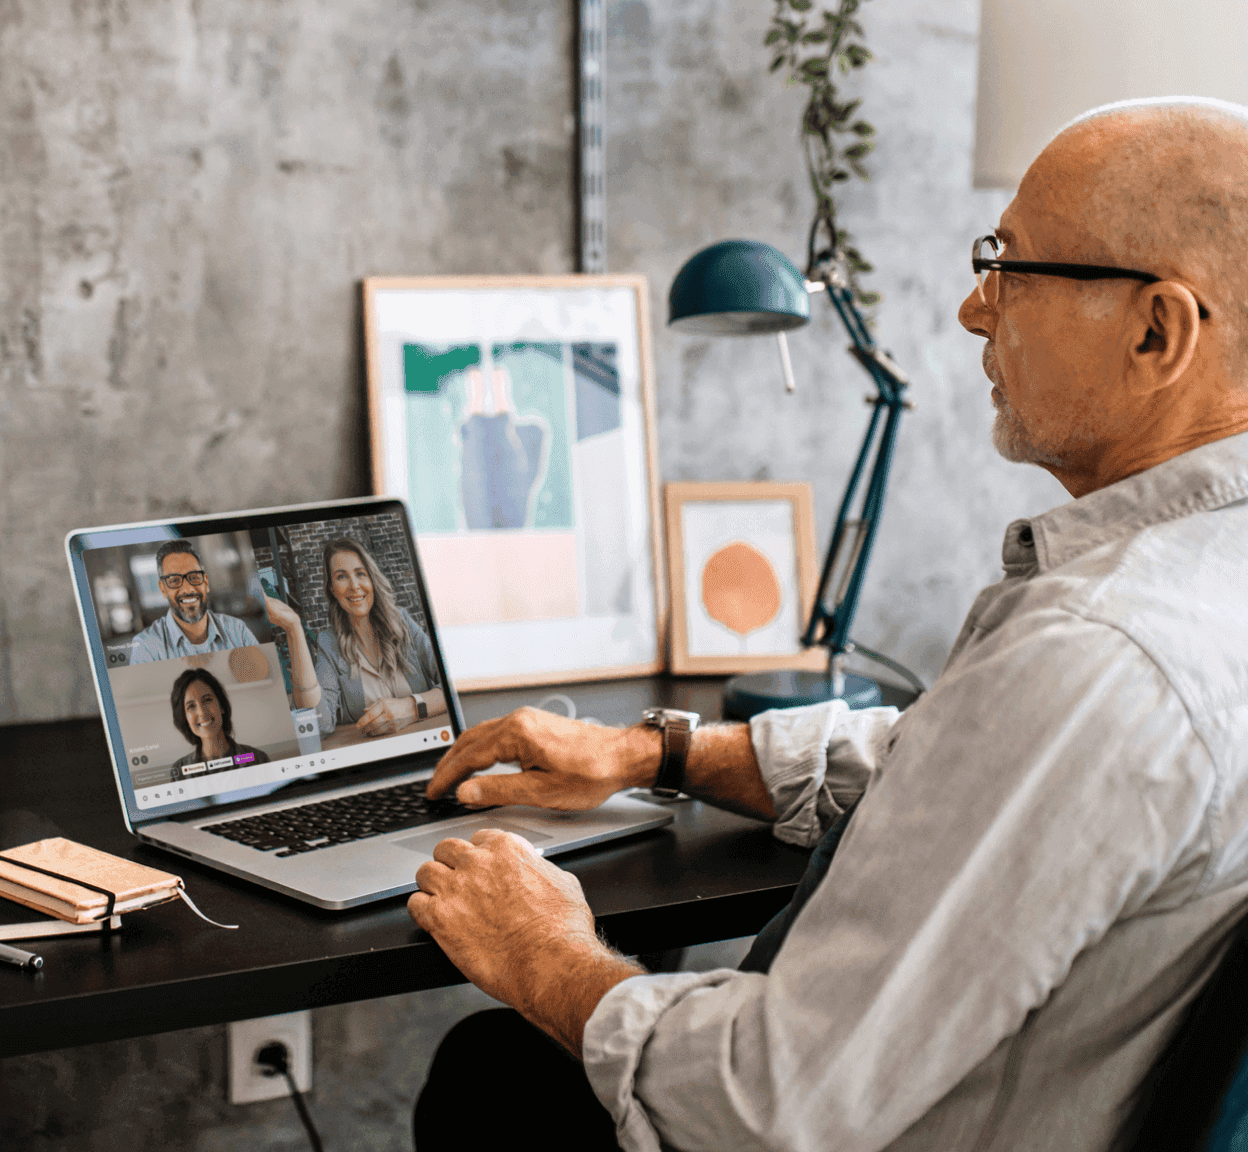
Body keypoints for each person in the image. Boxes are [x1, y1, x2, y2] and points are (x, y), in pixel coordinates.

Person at [406, 97, 1248, 1152]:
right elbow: (957, 766)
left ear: (1156, 330)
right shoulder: (1187, 597)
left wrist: (549, 956)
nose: (973, 311)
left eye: (1011, 268)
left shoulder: (1094, 655)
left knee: (492, 1074)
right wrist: (658, 749)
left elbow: (769, 1105)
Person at [267, 538, 446, 738]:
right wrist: (294, 629)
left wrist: (410, 708)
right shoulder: (328, 643)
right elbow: (318, 725)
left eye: (360, 574)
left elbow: (452, 683)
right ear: (333, 590)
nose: (354, 586)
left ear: (372, 579)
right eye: (341, 576)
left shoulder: (403, 623)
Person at [129, 540, 260, 664]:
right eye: (174, 580)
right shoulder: (146, 647)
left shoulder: (238, 631)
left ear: (206, 582)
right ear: (163, 589)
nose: (188, 589)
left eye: (194, 577)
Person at [167, 667, 270, 779]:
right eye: (191, 706)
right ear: (185, 718)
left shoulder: (258, 760)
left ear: (221, 705)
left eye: (207, 700)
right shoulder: (180, 772)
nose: (202, 712)